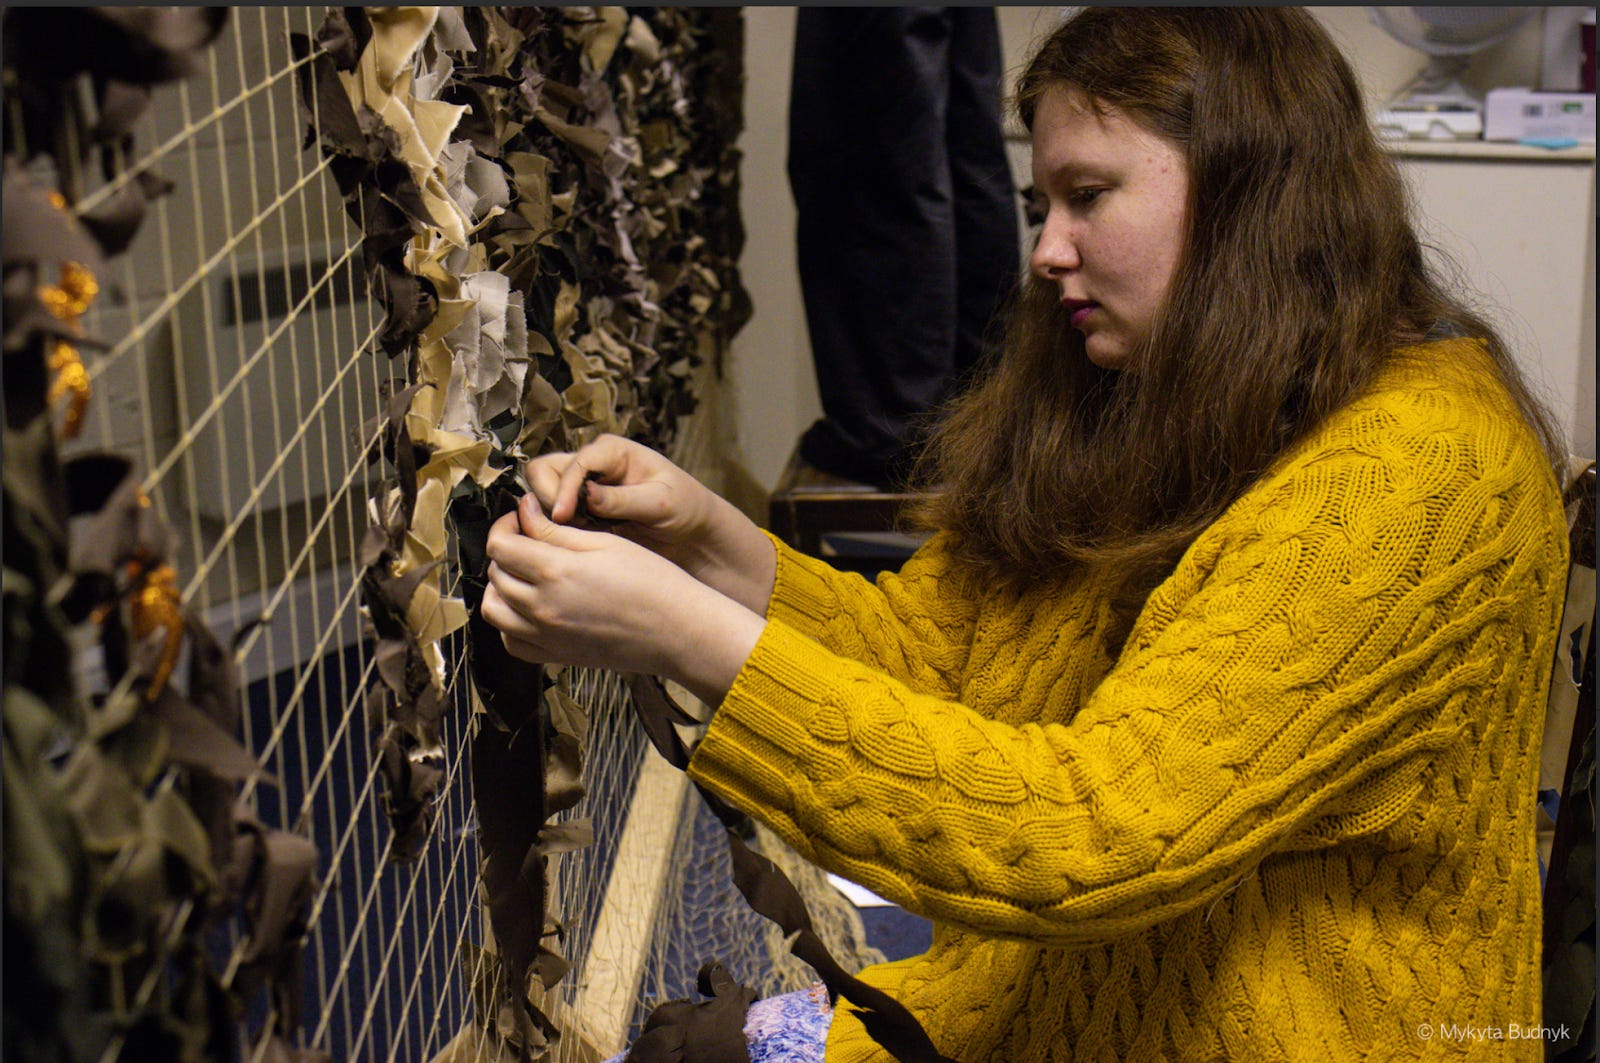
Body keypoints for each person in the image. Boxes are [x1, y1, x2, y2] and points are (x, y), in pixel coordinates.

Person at [482, 8, 1572, 1060]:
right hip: (1091, 996)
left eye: (1087, 196)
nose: (1046, 250)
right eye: (1037, 200)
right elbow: (947, 657)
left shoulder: (1419, 471)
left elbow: (1088, 838)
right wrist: (708, 547)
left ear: (1255, 195)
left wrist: (683, 635)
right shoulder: (1175, 383)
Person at [787, 8, 1020, 488]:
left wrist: (898, 429)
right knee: (964, 131)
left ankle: (896, 428)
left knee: (868, 141)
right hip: (974, 411)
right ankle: (975, 409)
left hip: (900, 431)